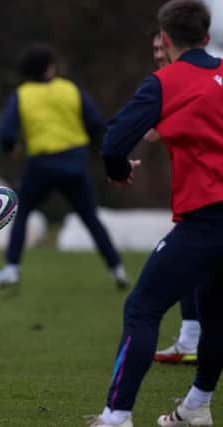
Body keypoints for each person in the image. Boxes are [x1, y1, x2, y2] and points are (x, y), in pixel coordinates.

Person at [89, 1, 222, 426]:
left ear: (165, 39)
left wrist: (119, 171)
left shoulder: (165, 82)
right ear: (206, 36)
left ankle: (116, 417)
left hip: (207, 220)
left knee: (143, 309)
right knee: (215, 313)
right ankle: (197, 406)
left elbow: (113, 143)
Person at [0, 42, 129, 290]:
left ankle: (11, 269)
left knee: (21, 214)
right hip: (74, 164)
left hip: (41, 166)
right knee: (90, 218)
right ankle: (117, 269)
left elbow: (7, 134)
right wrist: (108, 155)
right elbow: (96, 124)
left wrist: (12, 148)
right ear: (49, 68)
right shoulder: (70, 89)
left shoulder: (22, 95)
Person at [150, 28, 201, 365]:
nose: (156, 52)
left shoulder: (187, 81)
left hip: (207, 197)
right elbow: (154, 132)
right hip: (193, 196)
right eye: (153, 47)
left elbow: (148, 130)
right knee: (196, 267)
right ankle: (190, 339)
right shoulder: (165, 81)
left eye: (160, 46)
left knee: (142, 303)